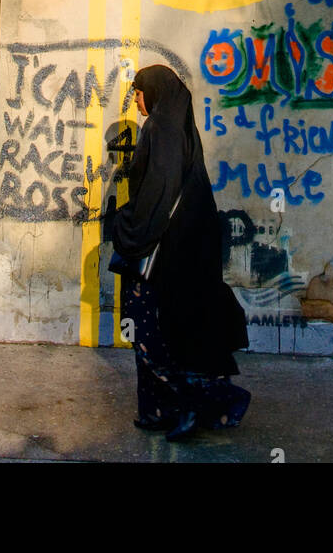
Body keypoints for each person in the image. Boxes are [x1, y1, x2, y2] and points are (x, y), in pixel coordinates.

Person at [110, 64, 250, 440]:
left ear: (153, 93)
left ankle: (192, 403)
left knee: (150, 335)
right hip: (183, 253)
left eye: (138, 93)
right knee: (170, 333)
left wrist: (126, 229)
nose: (136, 101)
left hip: (160, 256)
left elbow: (156, 198)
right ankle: (159, 411)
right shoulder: (182, 128)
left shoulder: (159, 129)